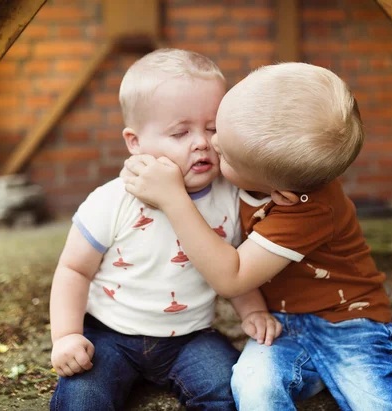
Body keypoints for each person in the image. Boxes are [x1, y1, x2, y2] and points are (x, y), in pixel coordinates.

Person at [121, 62, 392, 411]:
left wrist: (172, 198)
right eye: (219, 126)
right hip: (280, 326)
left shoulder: (309, 209)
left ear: (281, 196)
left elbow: (231, 278)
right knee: (252, 387)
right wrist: (145, 162)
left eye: (222, 146)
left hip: (351, 323)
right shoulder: (263, 167)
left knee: (378, 404)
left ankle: (377, 360)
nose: (210, 144)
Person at [49, 49, 281, 411]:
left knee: (225, 388)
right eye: (180, 132)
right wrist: (66, 336)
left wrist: (251, 312)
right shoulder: (113, 200)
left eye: (213, 128)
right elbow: (74, 269)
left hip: (190, 338)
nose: (202, 142)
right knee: (82, 398)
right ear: (135, 142)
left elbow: (234, 265)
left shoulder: (230, 197)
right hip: (110, 334)